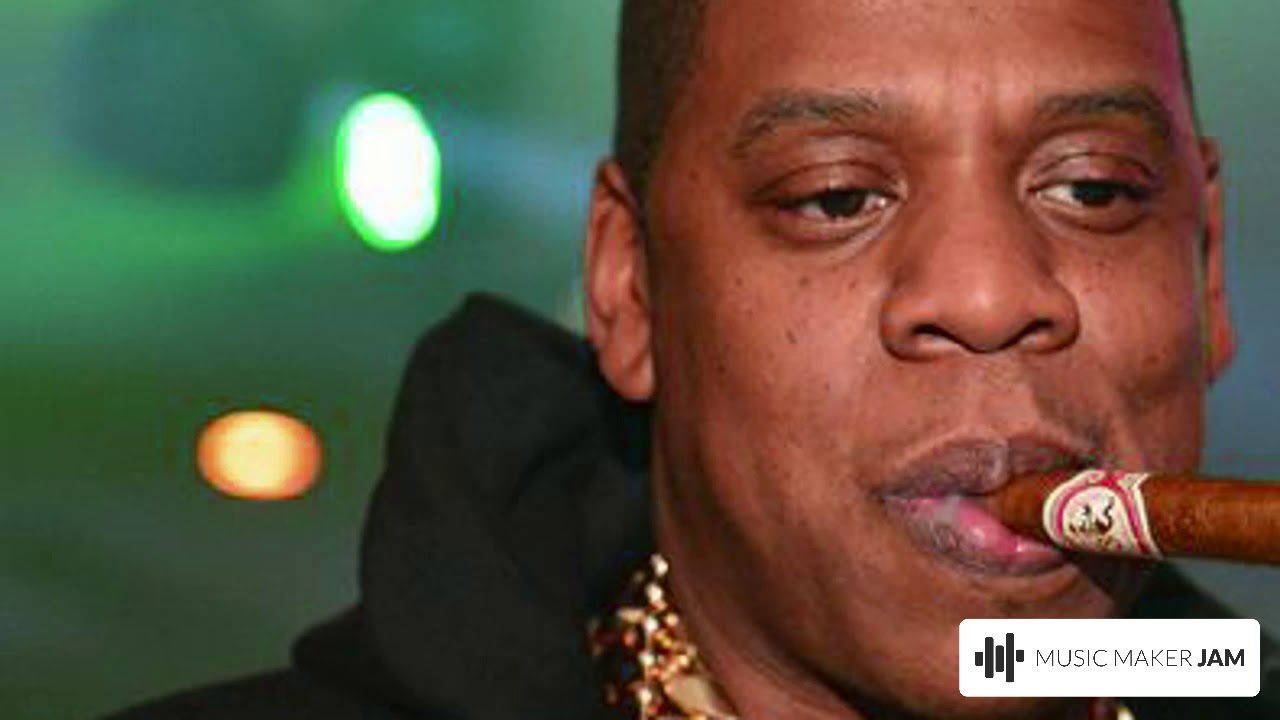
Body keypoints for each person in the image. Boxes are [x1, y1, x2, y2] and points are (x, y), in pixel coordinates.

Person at [106, 1, 1277, 718]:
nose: (987, 295)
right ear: (630, 290)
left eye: (1094, 189)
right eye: (834, 197)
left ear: (1206, 266)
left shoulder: (1222, 674)